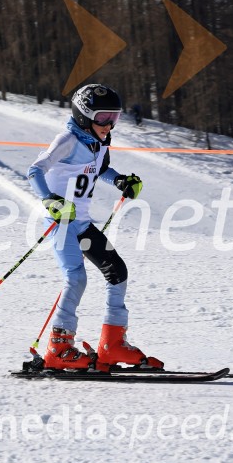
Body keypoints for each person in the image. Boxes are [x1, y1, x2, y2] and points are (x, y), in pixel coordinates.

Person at [27, 83, 162, 371]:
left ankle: (111, 345)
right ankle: (58, 348)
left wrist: (119, 180)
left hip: (82, 224)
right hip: (61, 223)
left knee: (117, 271)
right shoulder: (67, 139)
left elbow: (99, 169)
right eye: (103, 118)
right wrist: (50, 200)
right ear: (83, 116)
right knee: (76, 278)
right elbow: (35, 170)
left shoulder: (99, 142)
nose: (109, 124)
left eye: (115, 118)